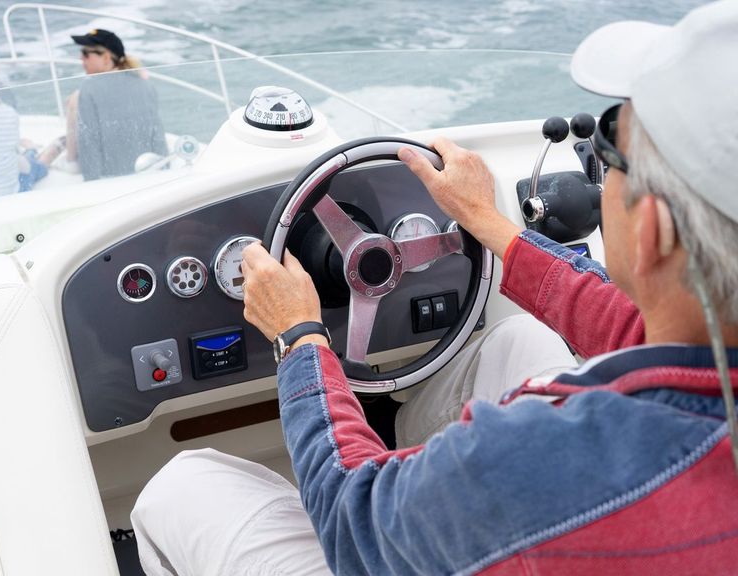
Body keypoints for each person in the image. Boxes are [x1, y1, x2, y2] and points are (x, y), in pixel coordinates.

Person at [131, 1, 738, 574]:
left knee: (181, 489)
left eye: (606, 154)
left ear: (653, 227)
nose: (597, 171)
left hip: (396, 529)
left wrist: (299, 338)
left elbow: (355, 524)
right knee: (514, 340)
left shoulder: (549, 456)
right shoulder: (704, 362)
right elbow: (627, 322)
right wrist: (490, 224)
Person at [67, 29, 167, 180]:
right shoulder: (145, 84)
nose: (81, 58)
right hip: (148, 171)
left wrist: (91, 183)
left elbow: (89, 142)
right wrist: (165, 169)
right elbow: (157, 135)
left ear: (106, 57)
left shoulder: (89, 89)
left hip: (110, 178)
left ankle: (68, 158)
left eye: (86, 53)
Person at [0, 45, 58, 201]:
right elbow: (14, 160)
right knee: (30, 168)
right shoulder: (8, 114)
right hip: (9, 196)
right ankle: (39, 155)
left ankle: (32, 152)